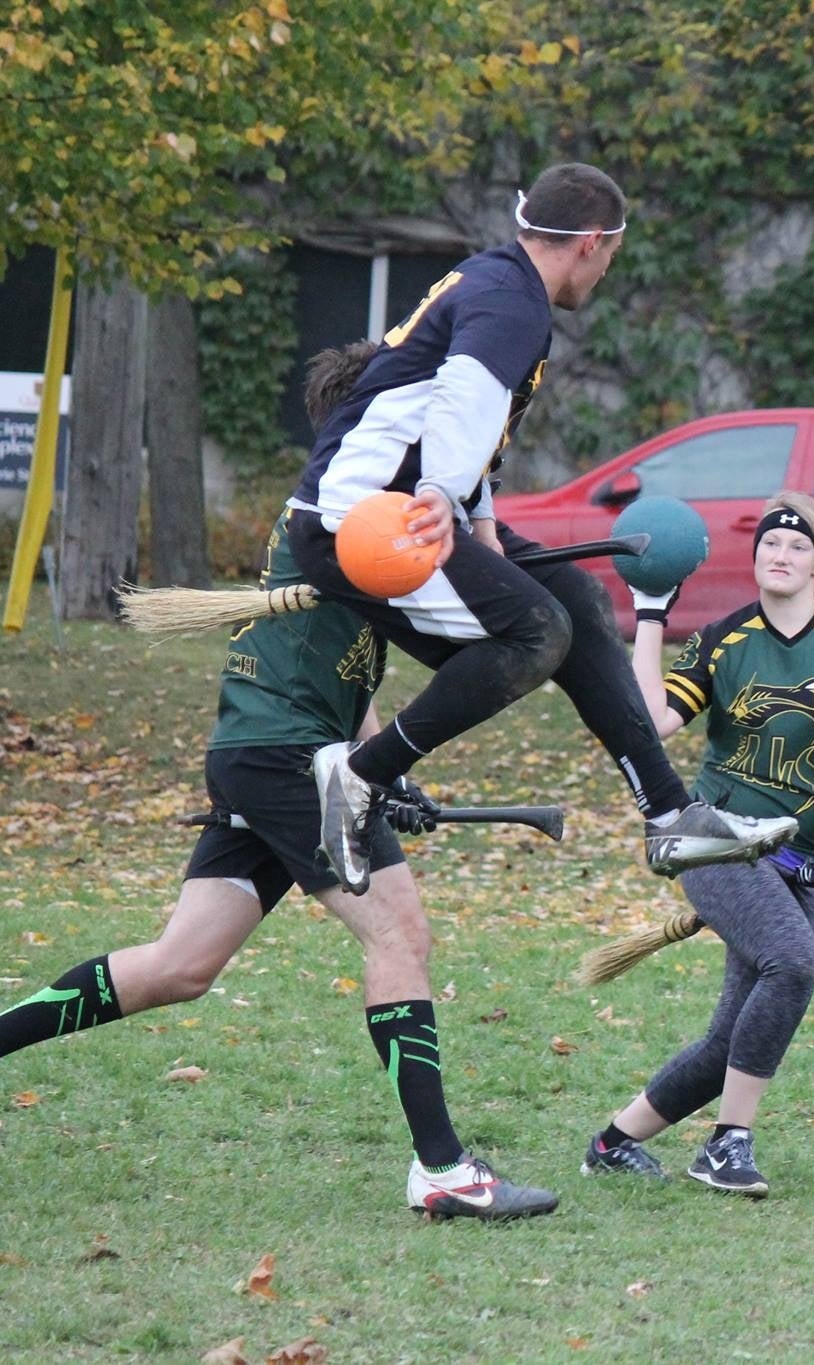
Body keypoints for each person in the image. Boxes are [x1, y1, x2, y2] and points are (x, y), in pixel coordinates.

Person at [0, 343, 556, 1220]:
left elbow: (349, 666)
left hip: (277, 750)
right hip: (288, 757)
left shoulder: (340, 509)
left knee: (180, 966)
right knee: (400, 935)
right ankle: (443, 1168)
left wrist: (386, 770)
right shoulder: (361, 511)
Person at [279, 161, 790, 894]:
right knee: (537, 631)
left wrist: (479, 516)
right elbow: (462, 396)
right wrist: (438, 490)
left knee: (577, 598)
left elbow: (464, 415)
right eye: (611, 256)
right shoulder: (513, 303)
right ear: (590, 242)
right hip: (363, 522)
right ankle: (359, 774)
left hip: (417, 507)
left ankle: (670, 815)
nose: (607, 271)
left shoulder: (498, 282)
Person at [581, 492, 814, 1196]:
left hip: (799, 858)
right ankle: (728, 1142)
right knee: (792, 963)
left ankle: (614, 1140)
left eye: (795, 547)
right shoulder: (723, 638)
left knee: (734, 1036)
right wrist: (651, 612)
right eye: (768, 546)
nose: (779, 556)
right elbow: (651, 721)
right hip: (708, 838)